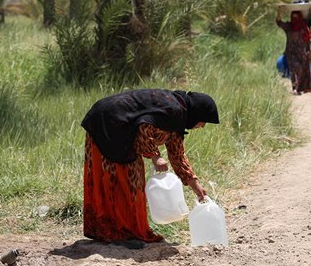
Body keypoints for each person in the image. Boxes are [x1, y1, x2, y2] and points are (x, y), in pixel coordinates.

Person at [81, 89, 219, 249]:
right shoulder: (174, 111)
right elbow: (144, 126)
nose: (202, 126)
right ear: (197, 114)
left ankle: (120, 231)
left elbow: (177, 154)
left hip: (117, 125)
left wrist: (194, 184)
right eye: (204, 121)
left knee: (132, 181)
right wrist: (155, 156)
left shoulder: (178, 116)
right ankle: (120, 233)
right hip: (109, 122)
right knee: (122, 182)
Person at [276, 4, 311, 94]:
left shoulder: (305, 24)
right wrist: (279, 11)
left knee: (302, 70)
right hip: (291, 52)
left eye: (296, 17)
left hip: (303, 52)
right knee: (294, 69)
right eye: (293, 17)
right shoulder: (288, 26)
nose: (295, 19)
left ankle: (301, 88)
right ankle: (295, 88)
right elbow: (279, 22)